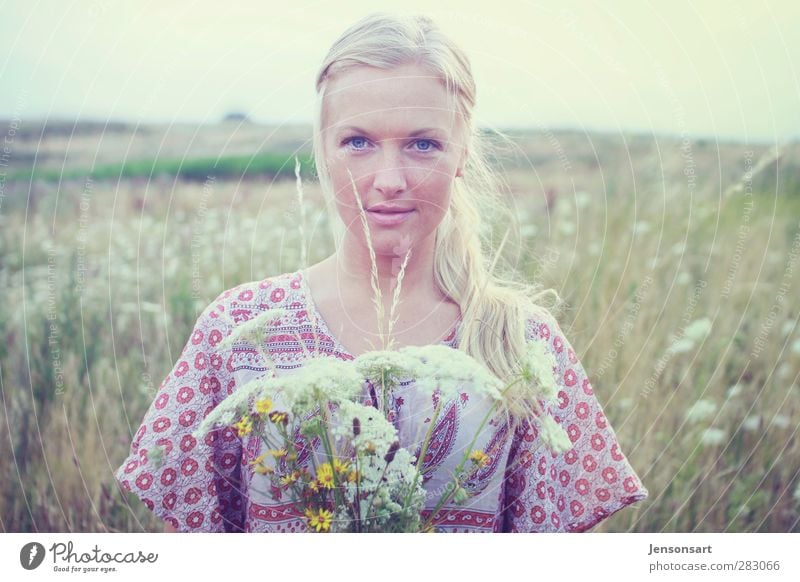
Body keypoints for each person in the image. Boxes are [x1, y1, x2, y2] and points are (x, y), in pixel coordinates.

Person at [114, 12, 648, 533]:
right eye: (359, 142)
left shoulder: (523, 344)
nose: (389, 179)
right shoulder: (238, 329)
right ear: (322, 150)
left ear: (461, 153)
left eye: (423, 143)